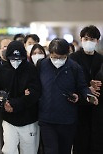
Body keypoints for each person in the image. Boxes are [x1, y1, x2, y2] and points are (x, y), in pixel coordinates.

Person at [39, 38, 98, 154]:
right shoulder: (42, 65)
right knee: (51, 150)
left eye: (61, 58)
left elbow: (82, 87)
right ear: (49, 53)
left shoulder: (74, 67)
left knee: (64, 150)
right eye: (54, 57)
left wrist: (88, 96)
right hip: (47, 118)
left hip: (67, 119)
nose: (57, 60)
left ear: (67, 54)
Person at [0, 41, 41, 154]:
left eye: (19, 59)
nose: (16, 62)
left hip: (29, 120)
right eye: (12, 59)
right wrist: (6, 103)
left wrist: (15, 104)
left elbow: (34, 94)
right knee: (9, 151)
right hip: (8, 119)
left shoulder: (31, 70)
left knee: (29, 151)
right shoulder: (2, 70)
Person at [70, 25, 103, 154]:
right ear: (81, 39)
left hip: (98, 108)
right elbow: (70, 82)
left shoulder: (100, 59)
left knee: (97, 143)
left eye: (92, 39)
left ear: (97, 41)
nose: (89, 42)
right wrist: (87, 86)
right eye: (86, 38)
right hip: (80, 107)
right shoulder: (73, 58)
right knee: (80, 143)